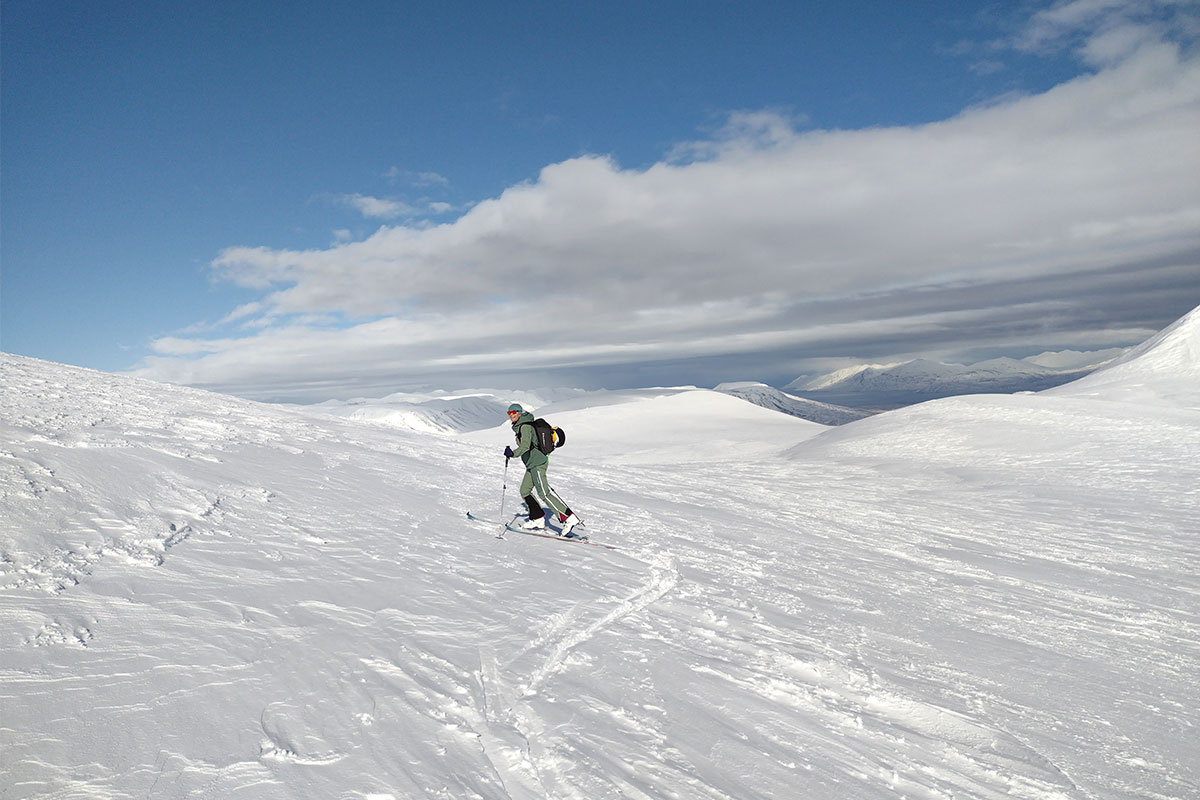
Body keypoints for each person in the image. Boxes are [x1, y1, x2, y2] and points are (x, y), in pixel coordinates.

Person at [503, 403, 583, 537]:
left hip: (538, 463)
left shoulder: (526, 426)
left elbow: (525, 447)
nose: (511, 415)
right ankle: (537, 518)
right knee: (525, 490)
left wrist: (513, 453)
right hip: (531, 464)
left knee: (544, 493)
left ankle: (568, 518)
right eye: (509, 413)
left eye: (514, 412)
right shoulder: (521, 427)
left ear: (520, 413)